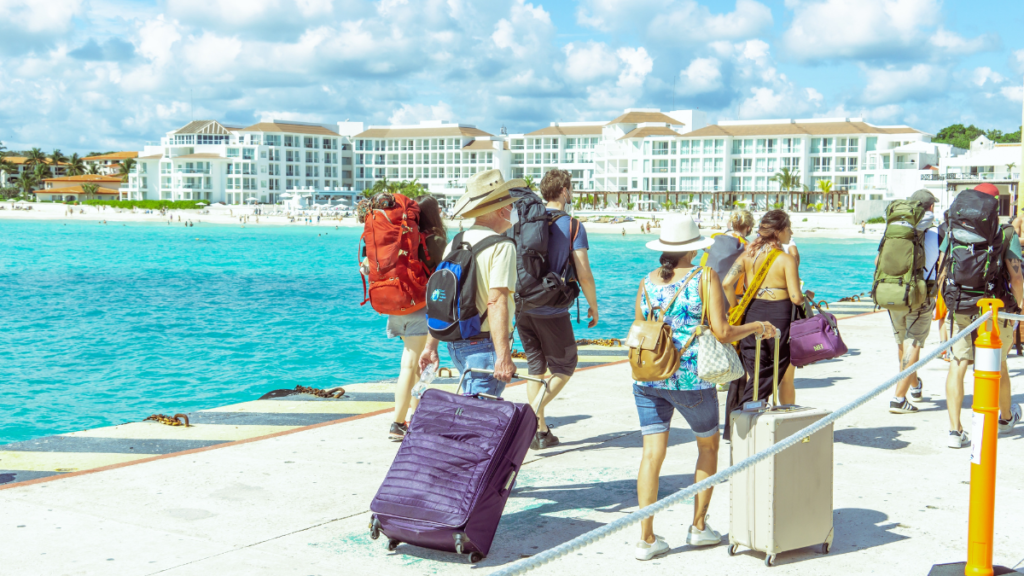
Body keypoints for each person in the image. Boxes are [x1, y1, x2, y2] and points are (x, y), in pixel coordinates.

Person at [631, 215, 778, 561]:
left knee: (651, 456)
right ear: (693, 249)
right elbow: (723, 331)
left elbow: (640, 325)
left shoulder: (647, 281)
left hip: (648, 378)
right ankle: (698, 526)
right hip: (690, 380)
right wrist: (757, 325)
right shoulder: (704, 276)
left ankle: (646, 539)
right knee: (708, 447)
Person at [419, 169, 521, 397]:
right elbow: (496, 302)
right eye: (511, 205)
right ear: (500, 208)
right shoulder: (502, 246)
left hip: (456, 344)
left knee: (472, 409)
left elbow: (442, 299)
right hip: (484, 345)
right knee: (479, 417)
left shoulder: (456, 241)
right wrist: (503, 356)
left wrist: (430, 347)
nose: (513, 211)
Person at [518, 169, 599, 450]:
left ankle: (540, 432)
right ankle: (528, 418)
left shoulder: (524, 220)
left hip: (522, 305)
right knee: (565, 365)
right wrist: (593, 305)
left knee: (535, 367)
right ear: (565, 191)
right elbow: (584, 273)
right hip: (551, 309)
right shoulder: (573, 225)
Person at [942, 183, 1024, 448]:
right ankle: (1005, 418)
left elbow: (944, 268)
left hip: (962, 305)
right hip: (993, 307)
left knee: (958, 362)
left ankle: (955, 431)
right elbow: (1017, 275)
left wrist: (946, 305)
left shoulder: (955, 228)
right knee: (998, 365)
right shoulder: (1005, 231)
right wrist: (1020, 308)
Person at [365, 195, 447, 441]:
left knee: (412, 367)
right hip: (418, 307)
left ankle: (414, 415)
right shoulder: (433, 239)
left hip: (395, 304)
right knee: (410, 366)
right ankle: (397, 422)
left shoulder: (401, 239)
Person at [721, 210, 804, 440]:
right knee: (775, 366)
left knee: (754, 368)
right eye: (789, 228)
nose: (791, 232)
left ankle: (746, 418)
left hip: (752, 314)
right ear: (778, 232)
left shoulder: (748, 254)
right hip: (779, 317)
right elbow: (796, 298)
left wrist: (735, 306)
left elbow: (728, 283)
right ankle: (749, 413)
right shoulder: (785, 258)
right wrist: (805, 296)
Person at [882, 190, 941, 414]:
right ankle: (898, 398)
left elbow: (879, 260)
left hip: (894, 292)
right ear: (931, 208)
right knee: (914, 342)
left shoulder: (894, 230)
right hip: (921, 294)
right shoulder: (936, 233)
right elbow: (941, 267)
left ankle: (914, 385)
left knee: (902, 343)